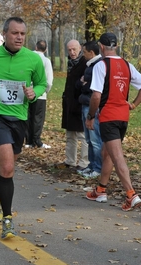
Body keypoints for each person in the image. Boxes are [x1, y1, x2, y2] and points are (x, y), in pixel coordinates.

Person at [0, 17, 47, 239]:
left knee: (7, 167)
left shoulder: (33, 59)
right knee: (8, 167)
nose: (20, 37)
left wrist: (34, 92)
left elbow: (41, 83)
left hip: (19, 117)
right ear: (5, 34)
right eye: (15, 33)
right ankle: (7, 219)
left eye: (23, 33)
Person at [85, 32, 141, 211]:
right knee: (107, 153)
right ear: (116, 46)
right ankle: (101, 190)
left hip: (108, 117)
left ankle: (131, 194)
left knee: (116, 156)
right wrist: (134, 105)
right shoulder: (127, 65)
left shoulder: (101, 65)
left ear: (101, 47)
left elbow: (96, 95)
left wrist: (90, 116)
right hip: (123, 117)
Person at [56, 40, 87, 170]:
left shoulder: (85, 63)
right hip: (69, 102)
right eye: (69, 50)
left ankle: (84, 163)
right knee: (70, 134)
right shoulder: (70, 62)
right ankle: (70, 161)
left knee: (82, 136)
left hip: (80, 102)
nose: (72, 52)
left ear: (80, 48)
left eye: (74, 49)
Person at [76, 41, 103, 179]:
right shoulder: (90, 66)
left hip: (91, 105)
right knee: (89, 139)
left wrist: (83, 83)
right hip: (85, 103)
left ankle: (98, 167)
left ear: (91, 53)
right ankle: (92, 165)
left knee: (95, 139)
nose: (83, 54)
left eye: (84, 52)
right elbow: (80, 84)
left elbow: (91, 88)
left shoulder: (97, 66)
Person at [25, 40, 53, 149]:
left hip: (27, 91)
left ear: (36, 47)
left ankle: (28, 141)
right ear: (45, 49)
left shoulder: (27, 58)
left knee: (28, 116)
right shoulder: (46, 61)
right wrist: (45, 91)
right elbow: (49, 80)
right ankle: (36, 140)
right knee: (38, 118)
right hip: (40, 94)